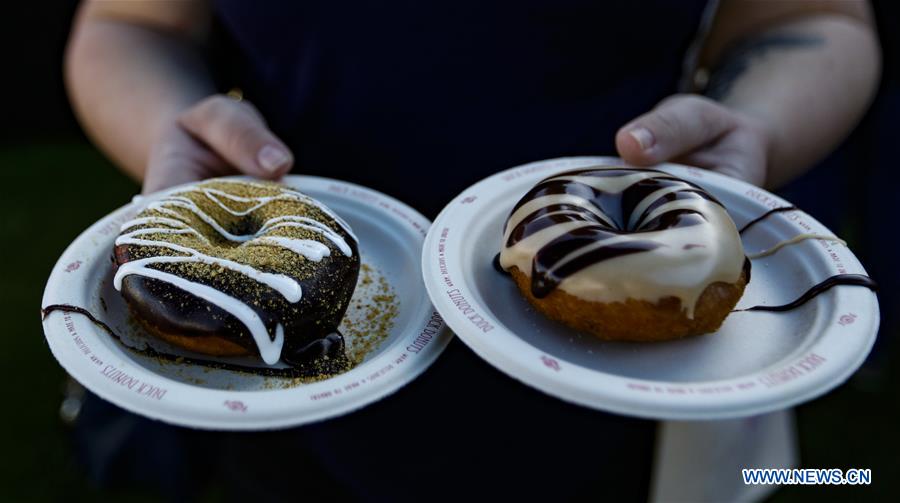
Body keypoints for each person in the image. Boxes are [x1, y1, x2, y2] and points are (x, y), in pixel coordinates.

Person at [64, 1, 880, 501]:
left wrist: (759, 126)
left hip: (634, 376)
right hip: (288, 355)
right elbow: (130, 22)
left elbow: (811, 18)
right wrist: (166, 124)